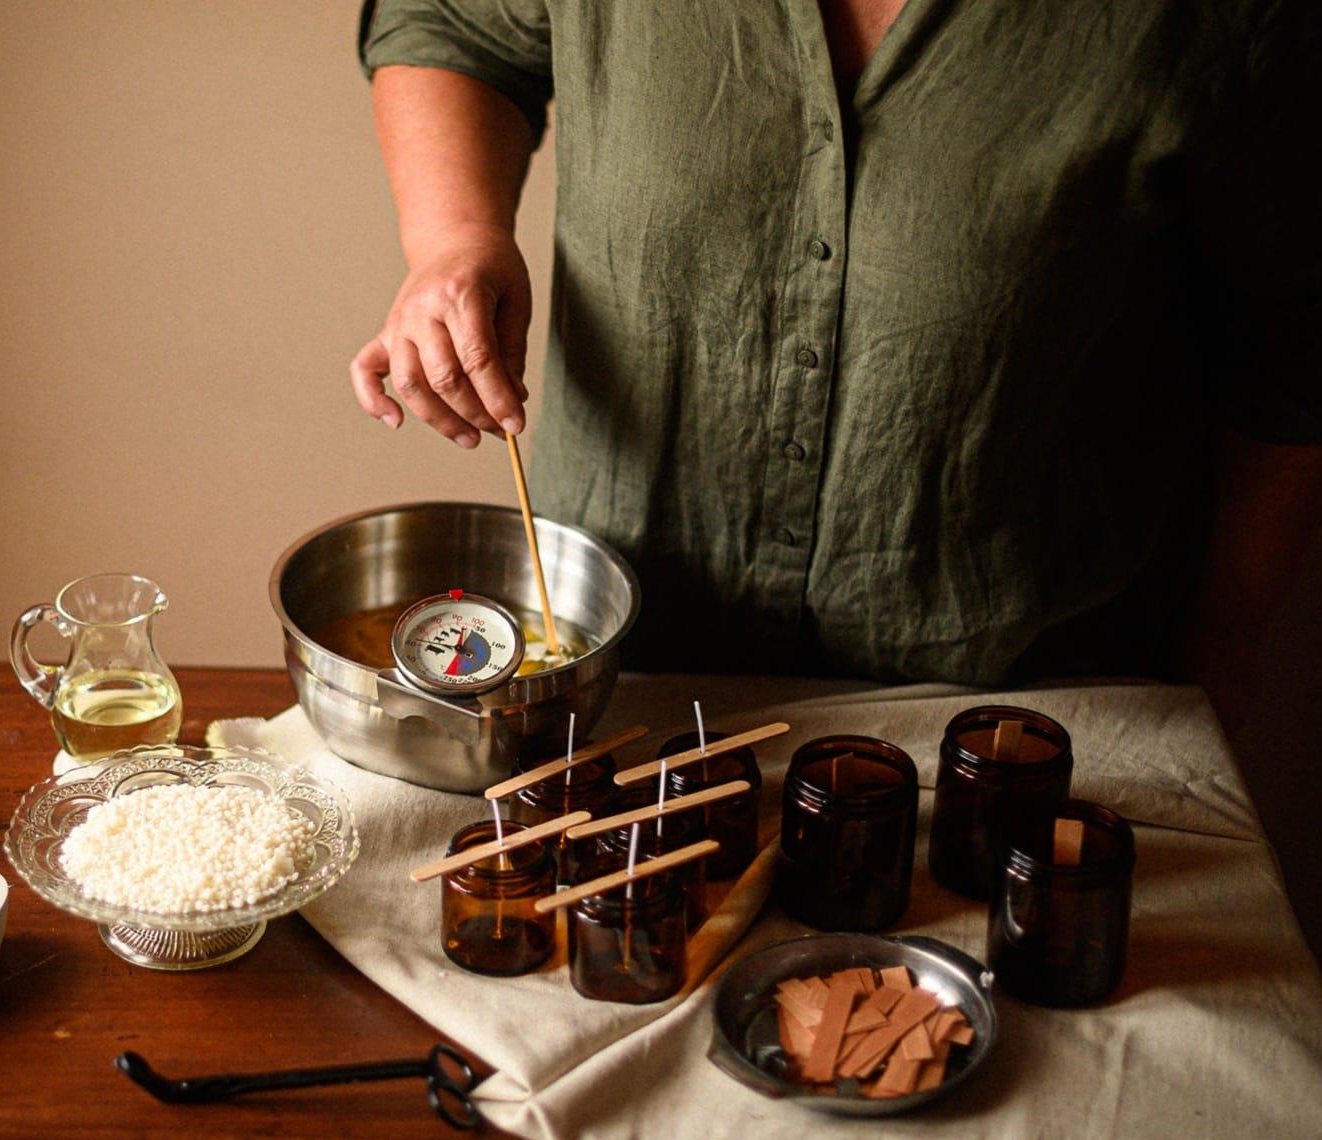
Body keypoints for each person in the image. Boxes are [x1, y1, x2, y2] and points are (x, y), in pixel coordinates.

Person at [346, 1, 1321, 730]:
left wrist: (1228, 639)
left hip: (1029, 706)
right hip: (624, 675)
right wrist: (456, 239)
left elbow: (1288, 351)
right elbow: (453, 22)